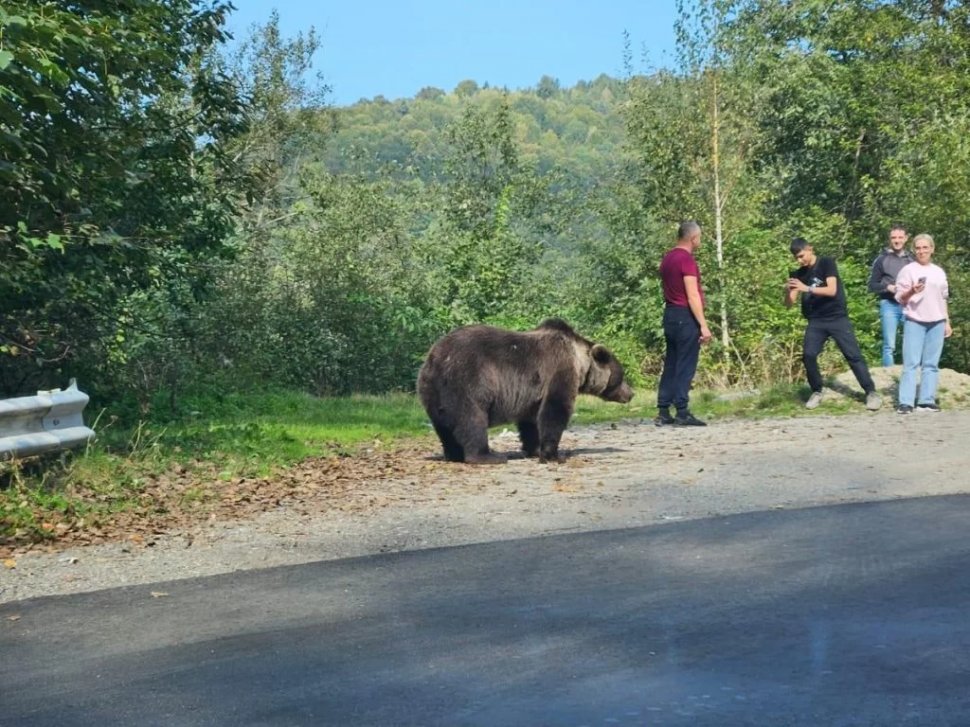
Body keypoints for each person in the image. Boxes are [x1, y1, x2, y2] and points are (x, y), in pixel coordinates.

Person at [785, 237, 882, 411]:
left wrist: (806, 288)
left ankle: (870, 392)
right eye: (796, 258)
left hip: (837, 317)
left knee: (852, 355)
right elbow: (789, 304)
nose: (800, 260)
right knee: (808, 355)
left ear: (810, 249)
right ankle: (816, 391)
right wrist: (789, 291)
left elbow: (832, 290)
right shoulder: (798, 274)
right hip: (816, 320)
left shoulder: (826, 263)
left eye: (801, 256)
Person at [655, 220, 713, 427]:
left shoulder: (667, 258)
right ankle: (682, 410)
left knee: (671, 362)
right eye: (700, 237)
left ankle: (663, 409)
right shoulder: (686, 260)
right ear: (693, 238)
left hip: (669, 314)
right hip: (685, 315)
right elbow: (692, 295)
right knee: (686, 364)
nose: (700, 241)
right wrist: (703, 325)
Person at [894, 233, 952, 414]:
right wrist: (912, 291)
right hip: (915, 320)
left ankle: (926, 400)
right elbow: (899, 298)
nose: (921, 251)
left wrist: (947, 322)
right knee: (911, 363)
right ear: (914, 250)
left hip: (936, 321)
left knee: (931, 364)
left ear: (932, 249)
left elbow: (943, 298)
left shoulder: (939, 272)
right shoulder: (908, 270)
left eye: (925, 247)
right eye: (918, 248)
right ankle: (906, 402)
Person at [867, 224, 914, 366]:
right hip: (889, 305)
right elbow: (872, 284)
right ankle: (887, 376)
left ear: (906, 239)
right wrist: (888, 287)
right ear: (890, 239)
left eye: (900, 237)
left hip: (909, 305)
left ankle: (910, 373)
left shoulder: (912, 260)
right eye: (894, 237)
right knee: (889, 345)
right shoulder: (882, 259)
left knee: (911, 342)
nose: (897, 240)